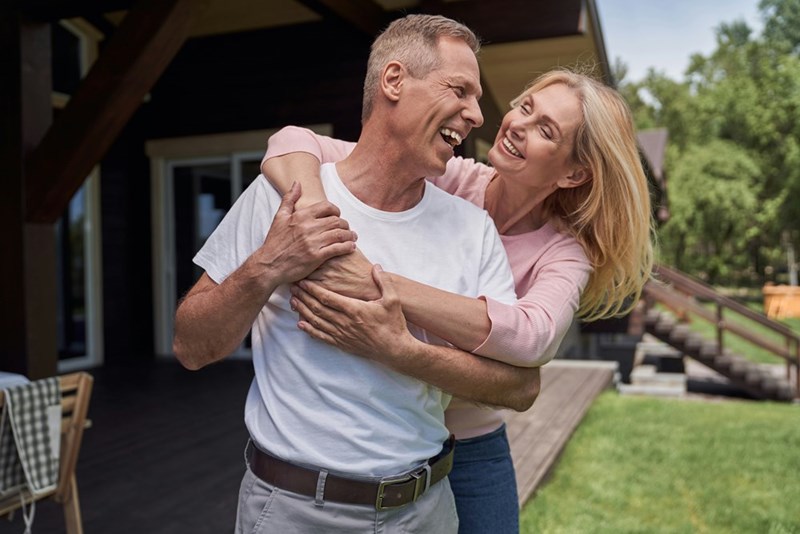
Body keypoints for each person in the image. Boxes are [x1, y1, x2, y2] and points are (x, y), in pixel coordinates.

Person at [260, 67, 655, 533]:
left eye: (546, 130)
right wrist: (314, 218)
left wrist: (374, 281)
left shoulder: (563, 253)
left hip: (472, 449)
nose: (518, 126)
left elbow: (532, 339)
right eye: (525, 107)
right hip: (388, 430)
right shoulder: (450, 177)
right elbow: (291, 143)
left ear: (574, 173)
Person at [173, 14, 525, 533]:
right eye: (460, 90)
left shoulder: (473, 229)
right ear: (394, 81)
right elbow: (190, 346)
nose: (475, 114)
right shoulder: (282, 195)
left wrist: (397, 349)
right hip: (293, 513)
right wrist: (271, 264)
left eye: (476, 99)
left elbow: (516, 387)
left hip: (425, 512)